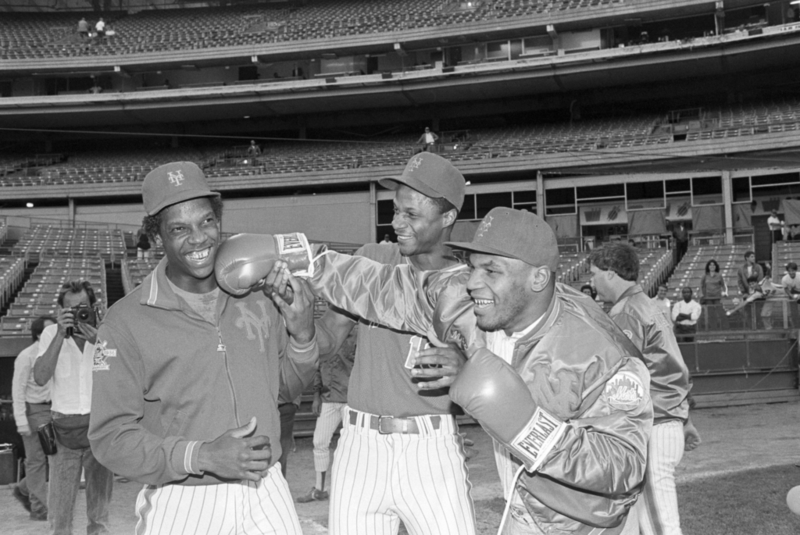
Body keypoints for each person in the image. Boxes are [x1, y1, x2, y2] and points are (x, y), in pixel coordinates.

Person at [259, 207, 654, 534]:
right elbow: (378, 286)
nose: (474, 282)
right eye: (473, 266)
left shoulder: (602, 351)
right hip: (522, 508)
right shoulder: (467, 300)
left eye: (492, 270)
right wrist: (296, 256)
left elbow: (624, 465)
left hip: (585, 523)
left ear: (538, 277)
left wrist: (526, 426)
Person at [88, 162, 318, 534]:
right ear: (157, 234)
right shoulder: (125, 322)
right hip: (184, 499)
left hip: (267, 488)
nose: (199, 239)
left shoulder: (258, 295)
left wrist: (303, 336)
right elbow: (110, 438)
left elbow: (288, 391)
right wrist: (202, 455)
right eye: (179, 228)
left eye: (207, 222)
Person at [310, 152, 478, 534]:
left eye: (411, 214)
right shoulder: (373, 259)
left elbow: (493, 372)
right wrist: (297, 321)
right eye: (395, 210)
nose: (397, 222)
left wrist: (465, 368)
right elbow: (327, 340)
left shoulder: (470, 285)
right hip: (359, 443)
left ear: (447, 218)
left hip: (430, 444)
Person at [588, 242, 701, 535]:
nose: (591, 281)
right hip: (667, 420)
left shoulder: (626, 311)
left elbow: (620, 379)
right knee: (640, 523)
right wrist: (685, 420)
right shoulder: (650, 305)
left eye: (594, 273)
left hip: (651, 426)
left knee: (660, 526)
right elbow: (671, 368)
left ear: (611, 274)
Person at [34, 281, 114, 535]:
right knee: (60, 514)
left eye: (83, 308)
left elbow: (120, 376)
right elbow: (40, 377)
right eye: (70, 309)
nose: (78, 314)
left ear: (93, 308)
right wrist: (59, 334)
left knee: (99, 515)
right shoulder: (50, 335)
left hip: (99, 428)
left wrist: (99, 341)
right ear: (60, 311)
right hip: (63, 432)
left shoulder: (107, 334)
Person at [297, 328, 356, 503]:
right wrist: (316, 396)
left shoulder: (358, 334)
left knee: (353, 446)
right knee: (319, 442)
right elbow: (317, 367)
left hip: (350, 399)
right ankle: (320, 489)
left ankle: (351, 490)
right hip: (328, 397)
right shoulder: (325, 335)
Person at [11, 316, 55, 521]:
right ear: (38, 334)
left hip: (56, 410)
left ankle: (23, 488)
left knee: (54, 457)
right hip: (35, 411)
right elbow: (17, 390)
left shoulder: (58, 352)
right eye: (49, 329)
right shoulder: (26, 356)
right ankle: (39, 509)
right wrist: (21, 421)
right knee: (37, 460)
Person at [699, 259, 728, 331]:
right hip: (708, 298)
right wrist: (702, 295)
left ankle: (725, 328)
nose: (712, 266)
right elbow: (701, 286)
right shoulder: (705, 276)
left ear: (716, 266)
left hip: (717, 298)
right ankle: (713, 329)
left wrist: (725, 292)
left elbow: (723, 285)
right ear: (708, 266)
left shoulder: (719, 275)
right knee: (711, 315)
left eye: (713, 265)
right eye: (710, 265)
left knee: (721, 313)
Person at [782, 262, 800, 327]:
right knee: (794, 312)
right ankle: (796, 325)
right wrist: (790, 295)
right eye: (789, 271)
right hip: (793, 292)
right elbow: (786, 288)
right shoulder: (784, 279)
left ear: (796, 270)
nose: (791, 272)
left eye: (793, 270)